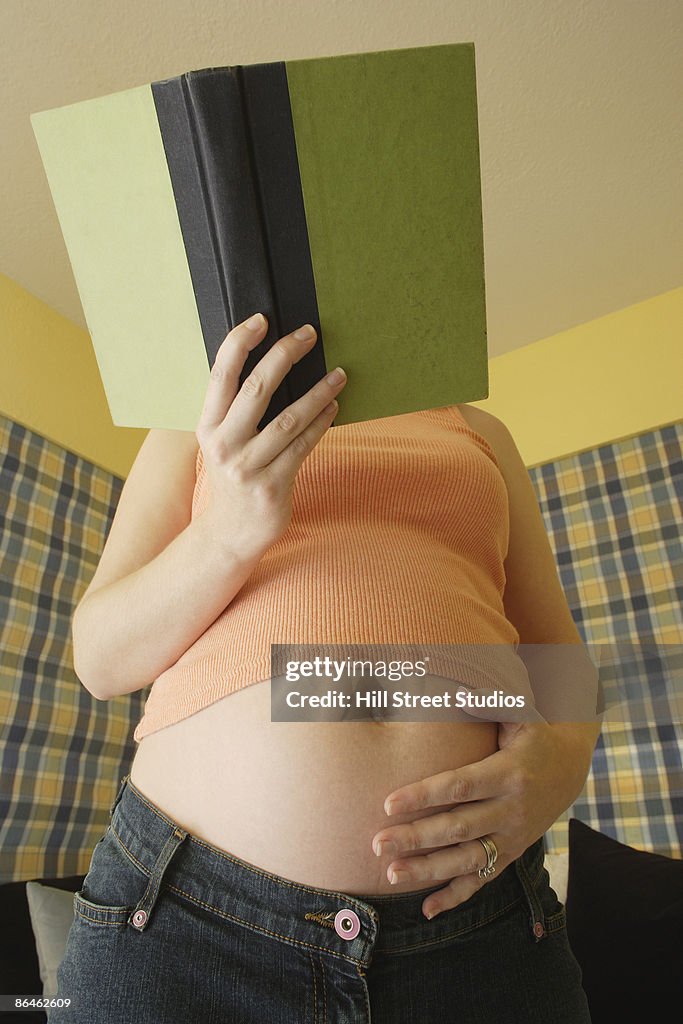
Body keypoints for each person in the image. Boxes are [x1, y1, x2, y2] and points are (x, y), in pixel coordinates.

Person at [52, 312, 600, 1023]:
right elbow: (99, 659)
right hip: (190, 932)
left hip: (473, 927)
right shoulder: (200, 415)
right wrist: (226, 532)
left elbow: (560, 666)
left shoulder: (479, 432)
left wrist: (559, 771)